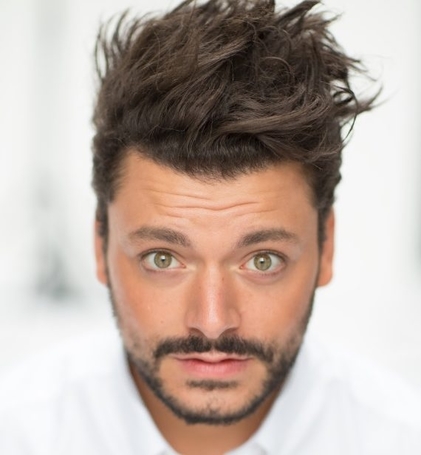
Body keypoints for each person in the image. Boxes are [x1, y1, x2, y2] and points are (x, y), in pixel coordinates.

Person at [1, 0, 420, 454]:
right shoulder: (19, 433)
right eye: (163, 259)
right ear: (99, 244)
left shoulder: (399, 439)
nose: (213, 323)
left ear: (327, 247)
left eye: (263, 261)